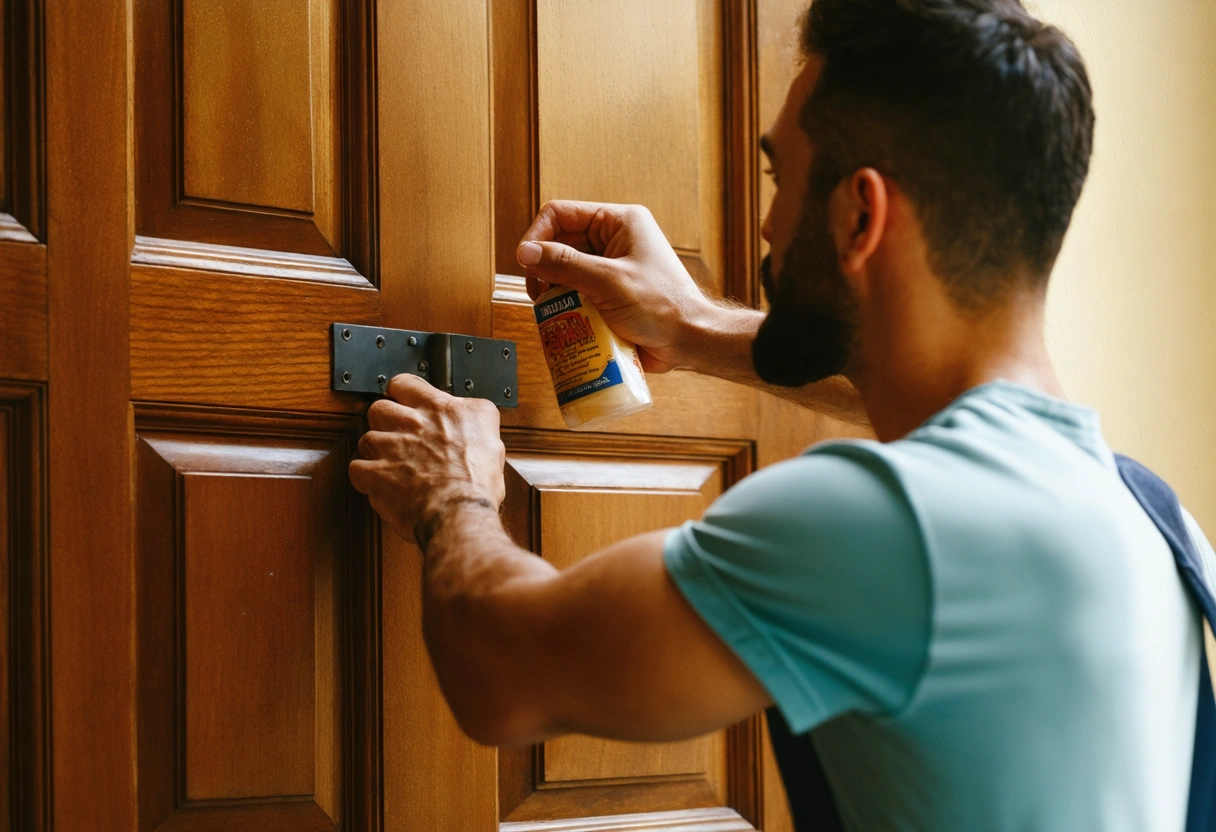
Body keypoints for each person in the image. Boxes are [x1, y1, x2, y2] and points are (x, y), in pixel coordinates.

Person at [348, 0, 1216, 828]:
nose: (764, 225)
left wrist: (452, 495)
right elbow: (932, 404)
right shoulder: (1149, 515)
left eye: (778, 176)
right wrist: (692, 327)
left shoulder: (881, 525)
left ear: (860, 214)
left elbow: (505, 673)